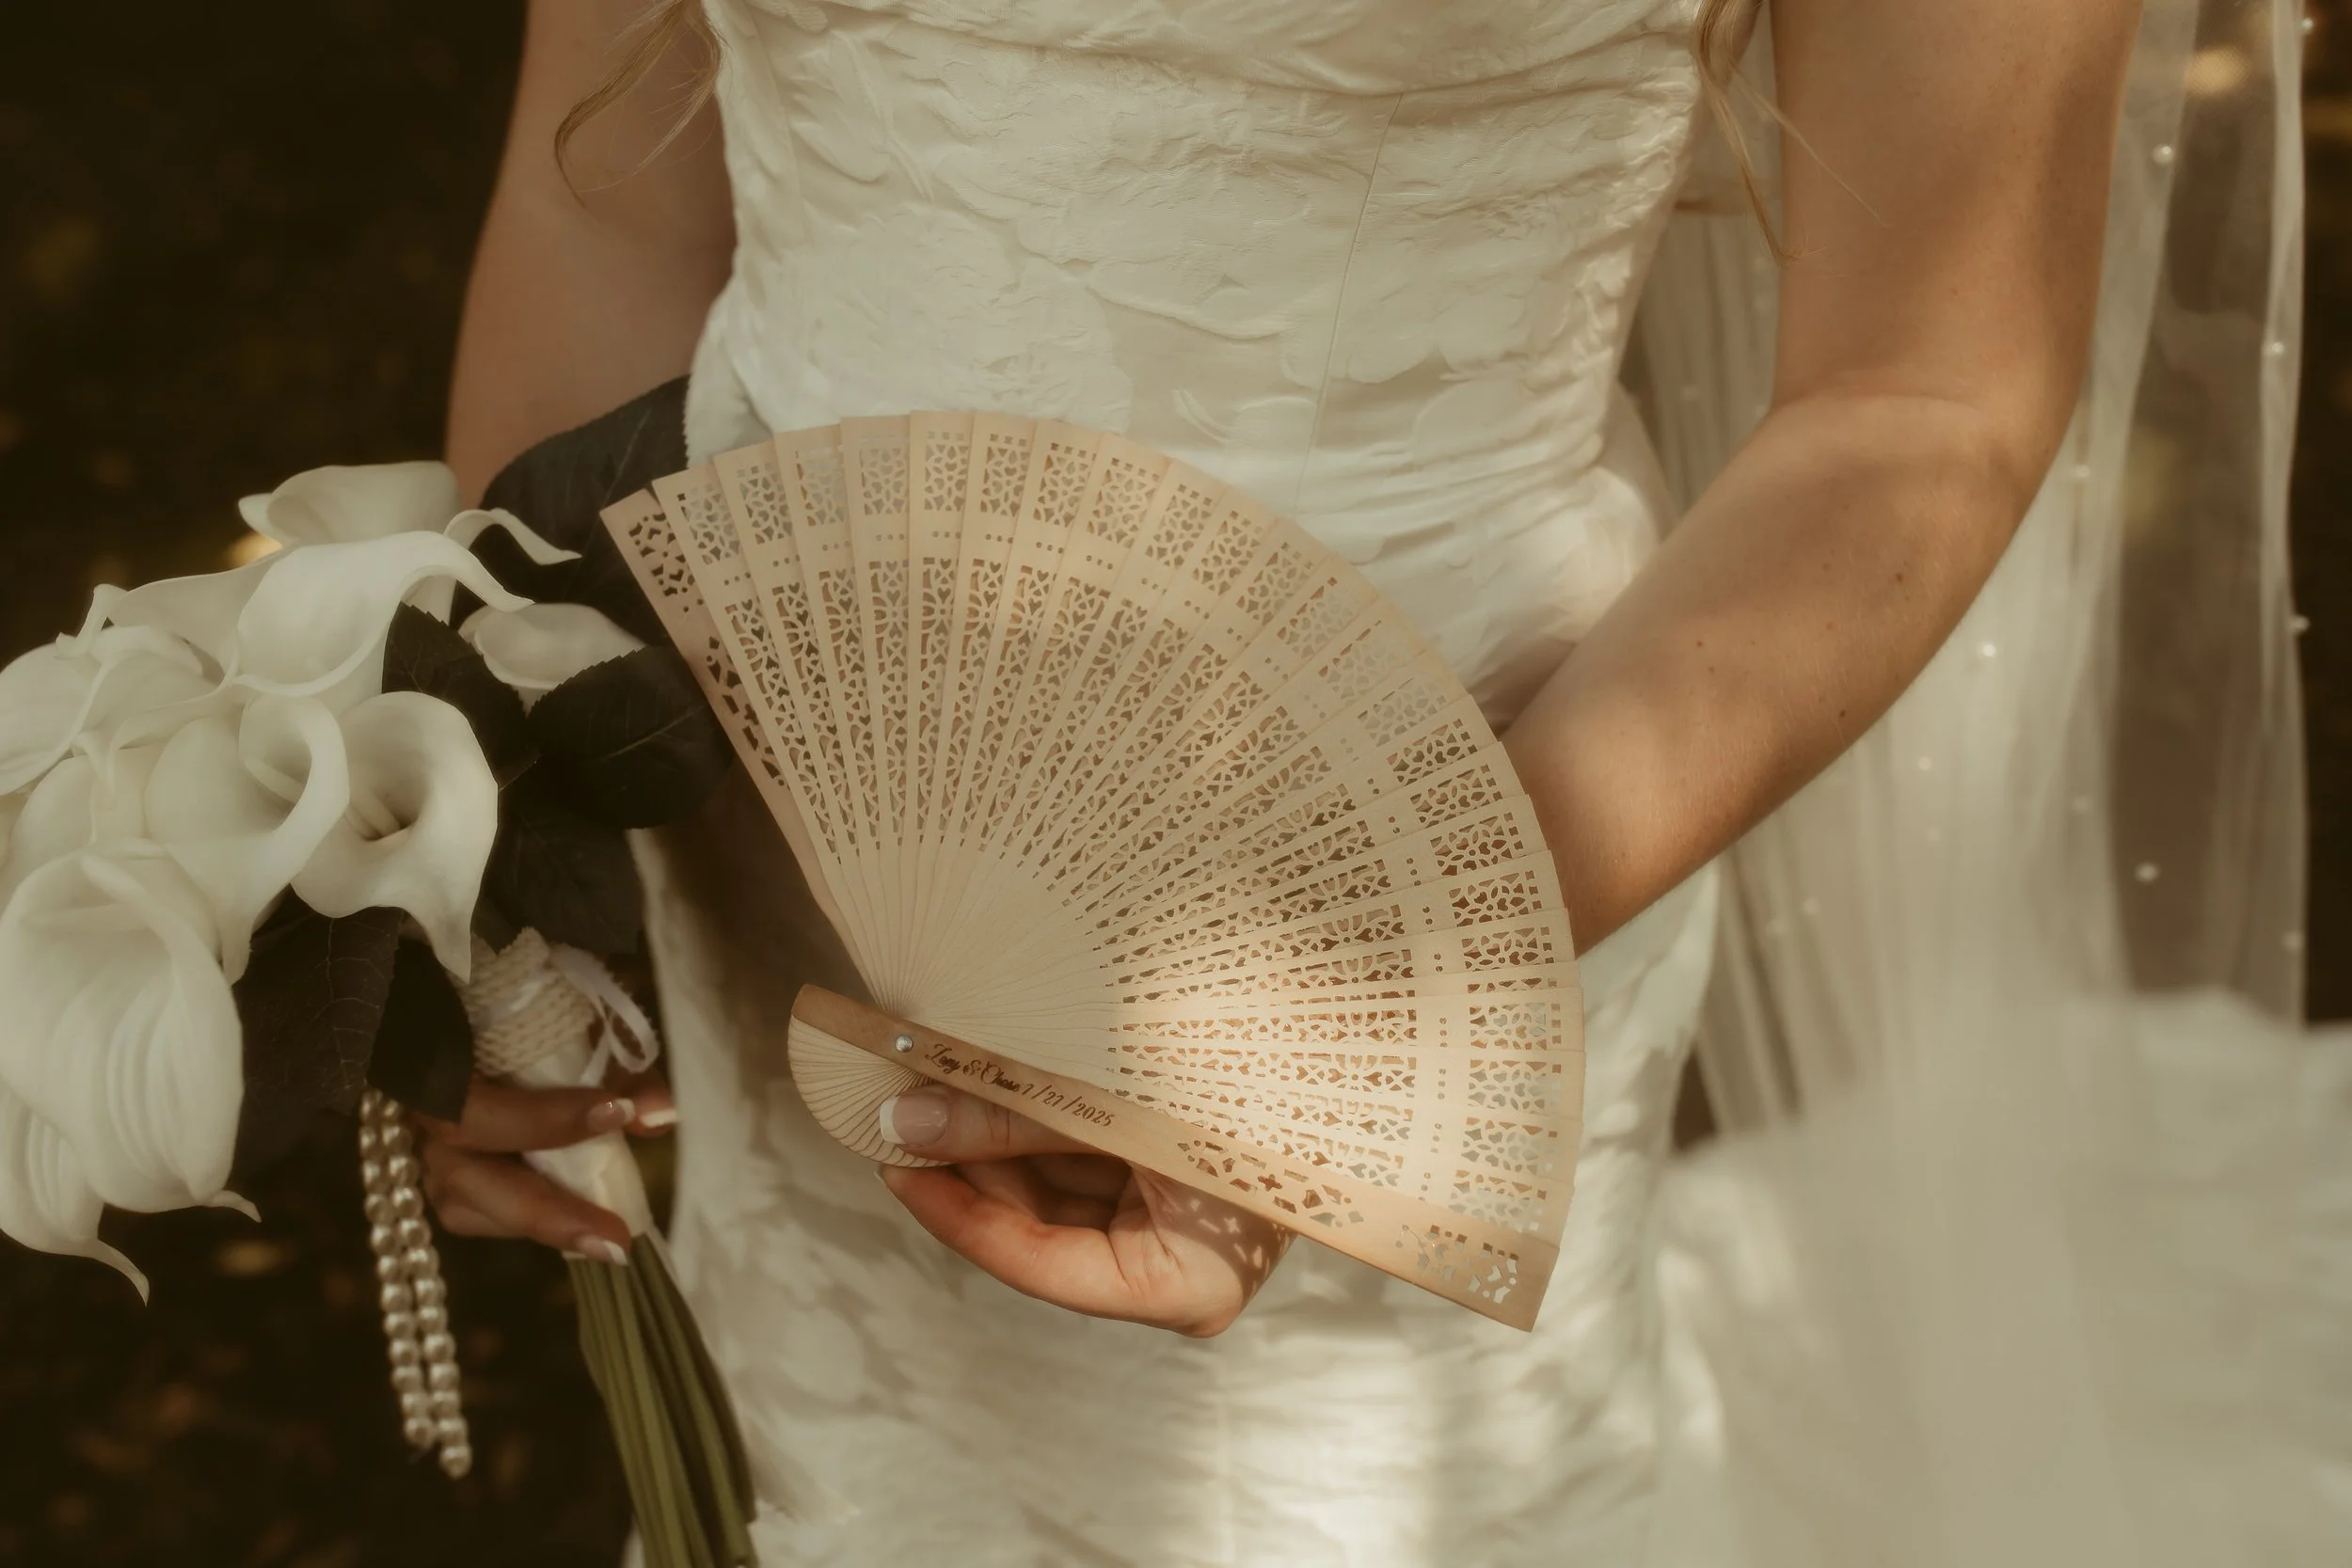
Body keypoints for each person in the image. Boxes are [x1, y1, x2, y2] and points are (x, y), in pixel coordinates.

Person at [421, 0, 2347, 1560]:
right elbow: (613, 201)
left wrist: (1385, 962)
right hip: (767, 842)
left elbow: (1915, 396)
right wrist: (501, 815)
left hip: (1481, 819)